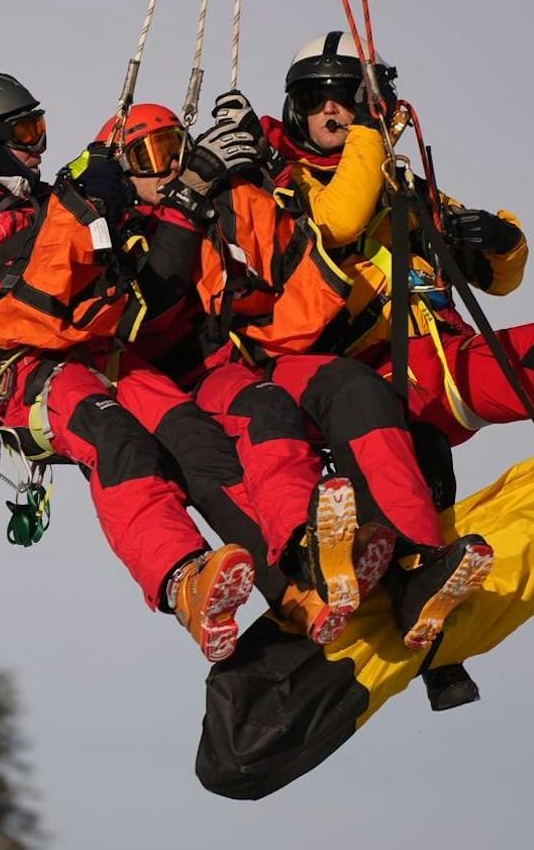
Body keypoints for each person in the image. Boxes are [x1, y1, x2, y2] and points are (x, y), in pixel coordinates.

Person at [248, 32, 534, 707]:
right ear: (295, 109)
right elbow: (331, 237)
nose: (337, 112)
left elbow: (492, 275)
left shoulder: (408, 186)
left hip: (445, 356)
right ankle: (430, 644)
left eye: (352, 97)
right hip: (364, 373)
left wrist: (501, 242)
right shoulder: (284, 191)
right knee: (418, 478)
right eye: (319, 99)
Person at [0, 72, 256, 663]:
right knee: (115, 437)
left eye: (40, 127)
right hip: (14, 370)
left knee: (191, 430)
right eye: (26, 131)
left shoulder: (38, 203)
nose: (39, 144)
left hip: (90, 352)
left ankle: (286, 558)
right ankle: (182, 577)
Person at [108, 101, 494, 650]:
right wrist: (188, 201)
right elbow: (144, 304)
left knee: (356, 388)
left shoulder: (221, 204)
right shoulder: (119, 231)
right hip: (182, 383)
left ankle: (415, 554)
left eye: (175, 147)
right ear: (122, 170)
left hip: (252, 355)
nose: (167, 166)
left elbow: (295, 260)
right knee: (263, 414)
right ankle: (303, 549)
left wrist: (256, 169)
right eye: (148, 155)